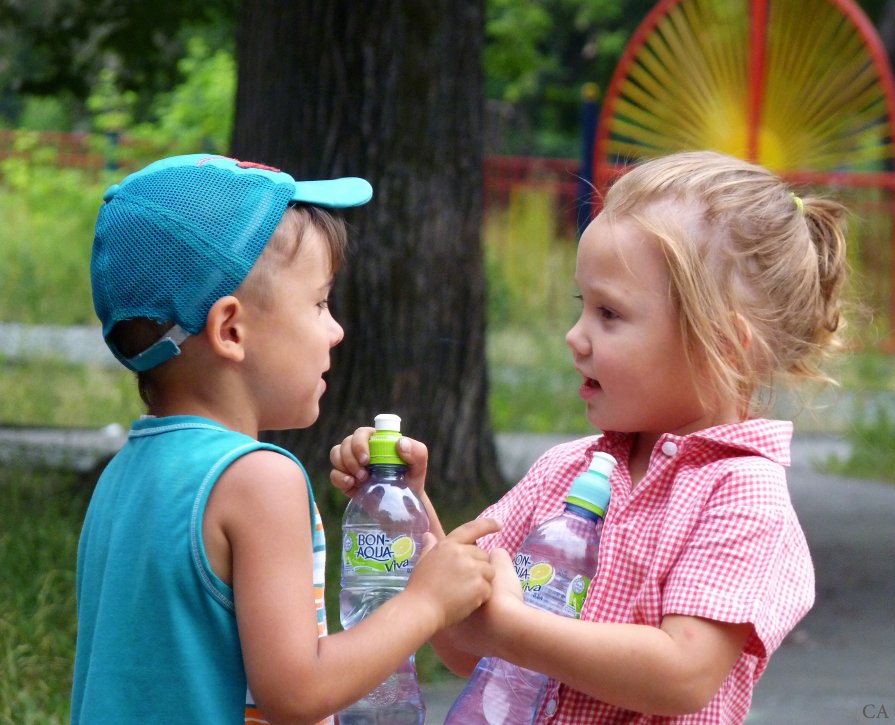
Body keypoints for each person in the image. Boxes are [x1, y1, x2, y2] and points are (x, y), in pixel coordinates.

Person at [330, 150, 850, 723]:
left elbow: (683, 674)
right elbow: (463, 645)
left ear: (721, 344)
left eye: (610, 313)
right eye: (584, 306)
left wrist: (513, 627)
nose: (575, 336)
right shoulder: (564, 470)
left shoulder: (741, 495)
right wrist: (406, 504)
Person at [71, 153, 500, 725]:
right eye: (320, 303)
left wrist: (396, 509)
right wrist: (425, 604)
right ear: (231, 330)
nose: (336, 328)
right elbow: (295, 693)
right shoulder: (259, 479)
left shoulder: (123, 473)